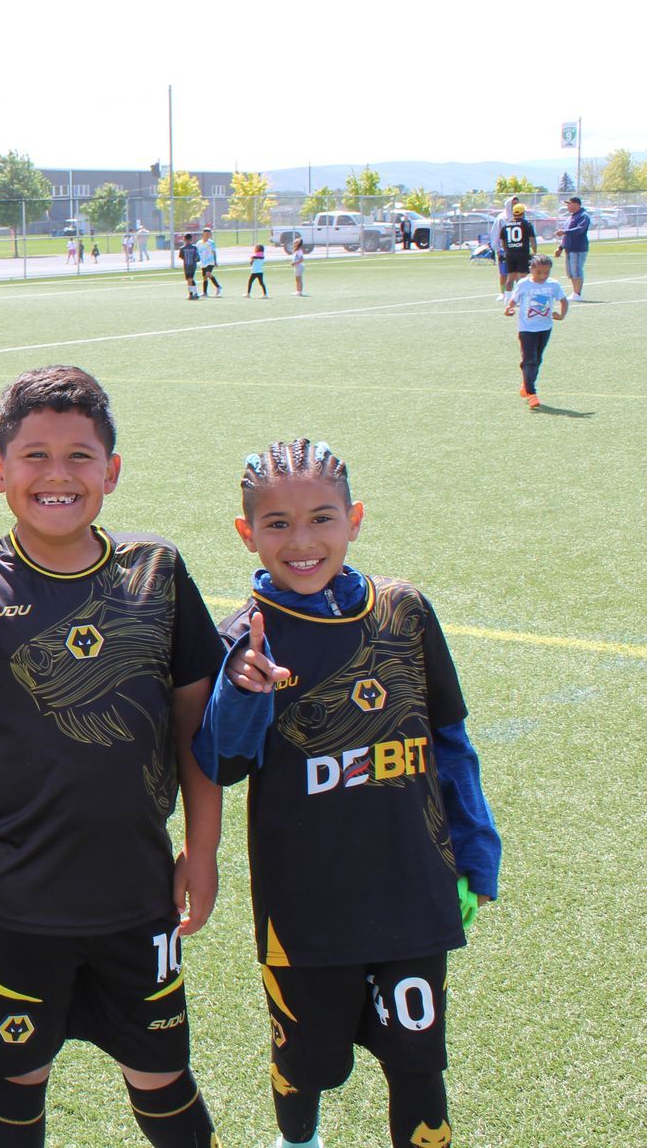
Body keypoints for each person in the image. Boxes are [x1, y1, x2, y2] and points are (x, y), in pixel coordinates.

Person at [0, 365, 224, 1148]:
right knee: (14, 1078)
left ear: (112, 471)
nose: (57, 475)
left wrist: (202, 850)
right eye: (34, 456)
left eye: (79, 456)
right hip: (16, 899)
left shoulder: (156, 572)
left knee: (162, 1072)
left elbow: (199, 732)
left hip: (138, 892)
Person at [194, 438, 500, 1148]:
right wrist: (242, 690)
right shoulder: (247, 639)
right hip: (307, 911)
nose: (302, 542)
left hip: (413, 890)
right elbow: (221, 760)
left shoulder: (405, 612)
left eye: (322, 519)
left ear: (355, 519)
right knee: (305, 1065)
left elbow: (450, 741)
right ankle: (298, 1142)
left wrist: (475, 850)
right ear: (247, 534)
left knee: (419, 1067)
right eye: (277, 525)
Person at [501, 253, 569, 408]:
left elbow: (564, 301)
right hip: (527, 329)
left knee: (537, 360)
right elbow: (513, 301)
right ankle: (532, 393)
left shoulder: (553, 285)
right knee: (530, 360)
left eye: (546, 272)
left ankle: (526, 383)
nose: (543, 276)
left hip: (545, 328)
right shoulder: (524, 284)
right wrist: (509, 309)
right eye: (539, 272)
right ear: (531, 269)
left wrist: (562, 315)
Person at [554, 195, 590, 299]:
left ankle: (578, 293)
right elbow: (566, 236)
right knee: (570, 272)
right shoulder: (570, 218)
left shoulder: (583, 216)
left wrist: (564, 231)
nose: (567, 206)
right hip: (569, 249)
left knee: (576, 270)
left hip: (578, 248)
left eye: (569, 203)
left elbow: (580, 230)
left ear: (576, 204)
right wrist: (560, 248)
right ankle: (575, 292)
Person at [197, 227, 222, 296]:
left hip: (210, 261)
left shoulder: (211, 243)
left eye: (208, 234)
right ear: (203, 234)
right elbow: (198, 252)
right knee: (205, 277)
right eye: (206, 234)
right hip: (203, 262)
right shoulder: (199, 243)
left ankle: (218, 286)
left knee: (208, 274)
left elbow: (214, 252)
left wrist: (215, 261)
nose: (207, 235)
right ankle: (205, 292)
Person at [179, 234, 201, 299]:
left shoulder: (193, 248)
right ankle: (191, 293)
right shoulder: (183, 248)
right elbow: (182, 256)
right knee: (189, 279)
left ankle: (194, 293)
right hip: (188, 265)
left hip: (190, 265)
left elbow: (182, 256)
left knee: (190, 279)